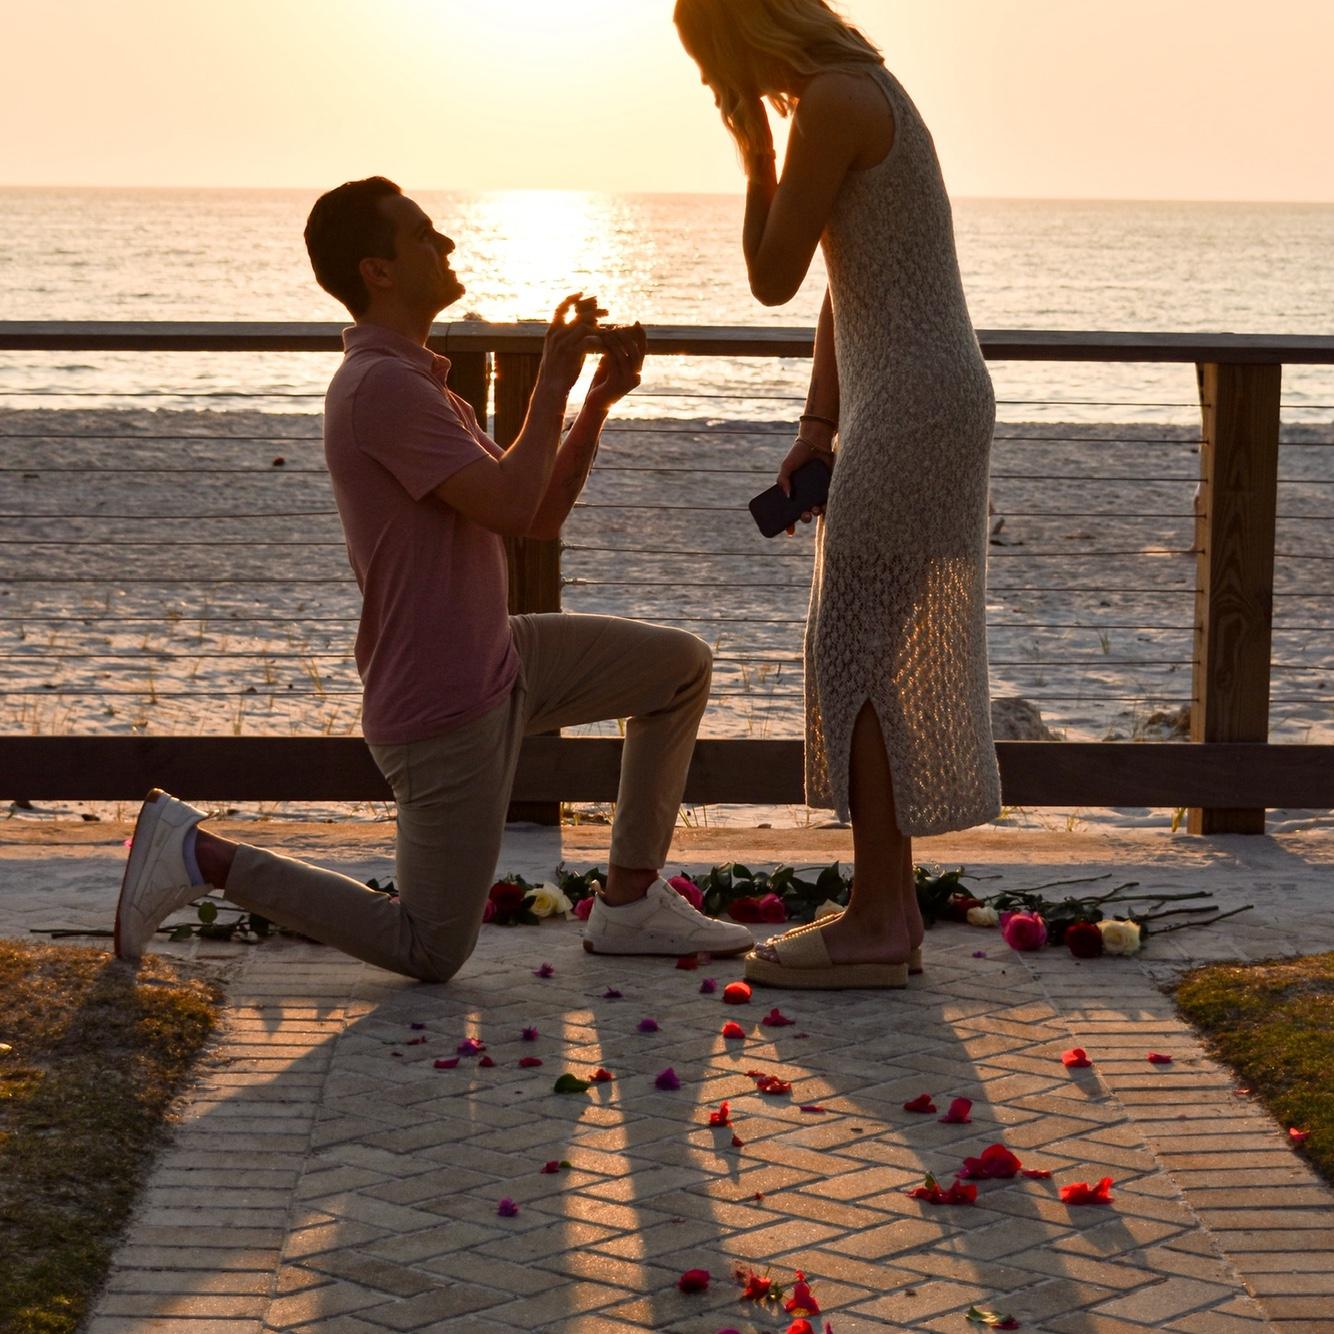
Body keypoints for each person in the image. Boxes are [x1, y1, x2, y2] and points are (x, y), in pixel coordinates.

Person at [114, 176, 753, 980]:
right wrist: (551, 379)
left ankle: (627, 904)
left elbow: (538, 512)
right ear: (377, 270)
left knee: (677, 668)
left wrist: (595, 402)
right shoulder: (380, 388)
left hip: (501, 655)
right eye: (423, 235)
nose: (445, 244)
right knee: (431, 948)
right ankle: (200, 855)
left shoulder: (418, 383)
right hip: (442, 703)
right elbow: (518, 508)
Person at [675, 0, 1001, 988]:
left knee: (852, 647)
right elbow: (842, 276)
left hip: (912, 407)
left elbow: (773, 274)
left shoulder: (829, 101)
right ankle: (885, 906)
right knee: (862, 646)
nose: (713, 88)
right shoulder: (865, 88)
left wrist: (750, 149)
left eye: (712, 68)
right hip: (903, 401)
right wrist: (818, 426)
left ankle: (875, 914)